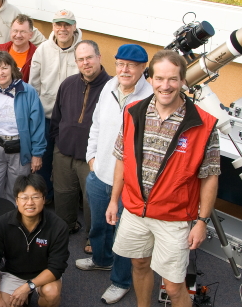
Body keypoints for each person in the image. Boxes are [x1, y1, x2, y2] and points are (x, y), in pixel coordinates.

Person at [106, 50, 220, 307]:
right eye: (159, 79)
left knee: (174, 286)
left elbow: (210, 177)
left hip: (174, 217)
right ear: (150, 79)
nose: (165, 86)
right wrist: (115, 201)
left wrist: (201, 221)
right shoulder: (133, 112)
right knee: (139, 263)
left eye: (172, 79)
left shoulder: (204, 124)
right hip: (135, 210)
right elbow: (122, 159)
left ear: (182, 81)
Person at [78, 44, 153, 304]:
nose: (124, 70)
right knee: (98, 225)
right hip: (100, 175)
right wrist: (91, 158)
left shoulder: (152, 96)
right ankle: (101, 260)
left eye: (131, 66)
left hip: (131, 184)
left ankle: (120, 281)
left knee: (124, 236)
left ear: (143, 68)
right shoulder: (110, 86)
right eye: (120, 63)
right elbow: (96, 124)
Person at [0, 51, 46, 249]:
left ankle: (14, 231)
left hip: (20, 148)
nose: (1, 72)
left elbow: (37, 124)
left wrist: (37, 153)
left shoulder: (27, 92)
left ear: (12, 68)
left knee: (16, 192)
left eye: (4, 67)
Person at [50, 40, 110, 251]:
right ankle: (66, 226)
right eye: (81, 59)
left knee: (92, 200)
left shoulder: (112, 88)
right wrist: (59, 141)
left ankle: (93, 238)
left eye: (89, 58)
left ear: (99, 58)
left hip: (93, 157)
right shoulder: (68, 84)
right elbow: (56, 118)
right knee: (62, 193)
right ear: (76, 62)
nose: (86, 63)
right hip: (64, 152)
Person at [0, 174, 69, 307]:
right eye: (24, 197)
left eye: (35, 197)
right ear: (16, 201)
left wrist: (27, 287)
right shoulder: (1, 224)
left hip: (44, 274)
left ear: (44, 199)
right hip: (13, 274)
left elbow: (56, 267)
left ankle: (31, 295)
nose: (30, 203)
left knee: (51, 293)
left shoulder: (59, 226)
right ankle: (23, 299)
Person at [29, 9, 83, 204]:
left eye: (67, 24)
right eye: (59, 24)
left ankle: (68, 200)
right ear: (53, 26)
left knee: (69, 162)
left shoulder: (82, 51)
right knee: (42, 160)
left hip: (72, 120)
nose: (63, 29)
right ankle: (45, 198)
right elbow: (33, 85)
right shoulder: (42, 49)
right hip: (46, 116)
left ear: (74, 26)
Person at [0, 14, 38, 82]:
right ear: (10, 32)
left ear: (30, 35)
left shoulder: (37, 54)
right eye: (15, 31)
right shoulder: (0, 49)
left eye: (23, 31)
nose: (18, 35)